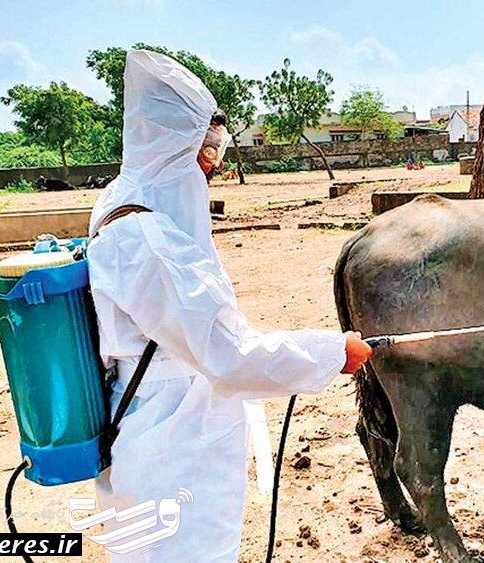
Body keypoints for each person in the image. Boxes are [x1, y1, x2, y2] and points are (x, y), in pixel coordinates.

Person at [87, 50, 372, 562]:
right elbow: (228, 354)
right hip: (173, 448)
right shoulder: (145, 240)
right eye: (207, 151)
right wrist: (333, 352)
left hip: (166, 430)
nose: (214, 166)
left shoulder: (119, 204)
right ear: (174, 148)